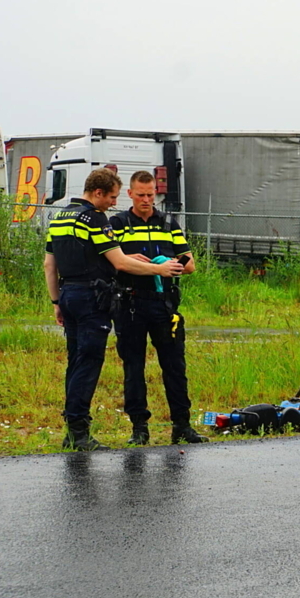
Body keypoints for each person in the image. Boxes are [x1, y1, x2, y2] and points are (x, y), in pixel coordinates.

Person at [44, 168, 183, 451]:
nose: (112, 203)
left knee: (75, 361)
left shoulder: (59, 217)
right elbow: (119, 263)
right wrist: (157, 268)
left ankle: (71, 430)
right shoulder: (94, 218)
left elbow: (50, 264)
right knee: (89, 362)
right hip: (91, 298)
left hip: (68, 293)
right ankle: (79, 432)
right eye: (111, 197)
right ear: (97, 193)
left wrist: (57, 302)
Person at [111, 171, 207, 445]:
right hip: (130, 303)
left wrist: (170, 264)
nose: (146, 200)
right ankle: (139, 428)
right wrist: (135, 262)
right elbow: (109, 261)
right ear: (130, 194)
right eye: (140, 195)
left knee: (175, 366)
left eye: (151, 195)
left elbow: (189, 264)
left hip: (163, 304)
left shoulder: (168, 223)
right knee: (134, 367)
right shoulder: (118, 223)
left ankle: (182, 425)